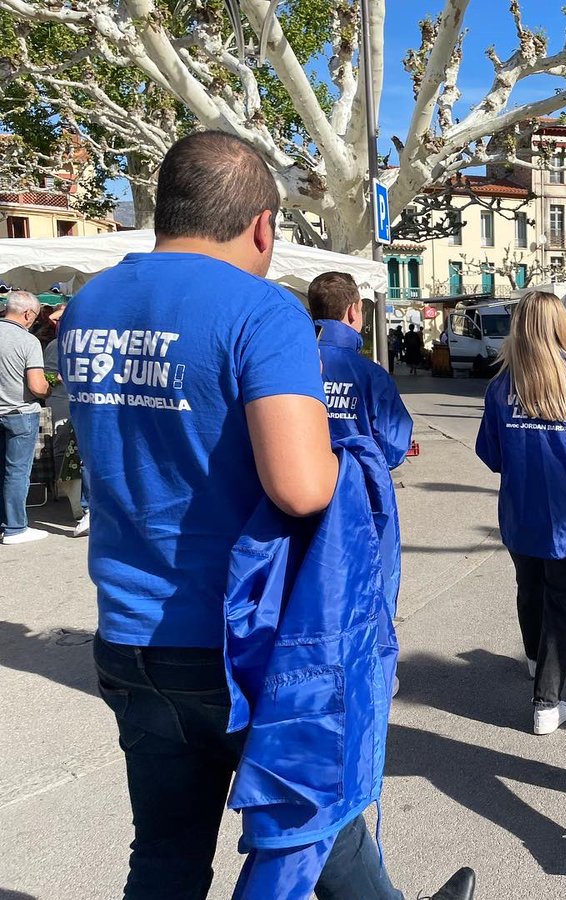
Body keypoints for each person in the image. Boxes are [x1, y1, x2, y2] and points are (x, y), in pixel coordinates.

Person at [60, 132, 473, 900]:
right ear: (262, 226)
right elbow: (302, 487)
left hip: (129, 632)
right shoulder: (262, 313)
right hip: (241, 641)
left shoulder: (88, 305)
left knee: (166, 854)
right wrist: (354, 455)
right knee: (310, 820)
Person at [475, 291, 566, 736]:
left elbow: (491, 454)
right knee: (562, 603)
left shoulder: (501, 388)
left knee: (529, 588)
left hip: (520, 510)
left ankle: (535, 659)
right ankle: (547, 701)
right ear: (562, 327)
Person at [310, 272, 414, 470]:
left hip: (296, 487)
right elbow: (394, 446)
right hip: (358, 488)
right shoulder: (372, 375)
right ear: (352, 311)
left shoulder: (285, 364)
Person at [0, 290, 51, 545]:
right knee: (17, 472)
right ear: (28, 313)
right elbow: (37, 386)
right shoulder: (28, 341)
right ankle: (14, 527)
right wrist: (51, 388)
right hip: (19, 413)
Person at [42, 311, 90, 536]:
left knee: (76, 453)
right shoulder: (55, 345)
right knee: (65, 449)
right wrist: (57, 379)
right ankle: (68, 494)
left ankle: (76, 499)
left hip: (78, 403)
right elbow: (46, 375)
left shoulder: (84, 342)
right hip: (61, 401)